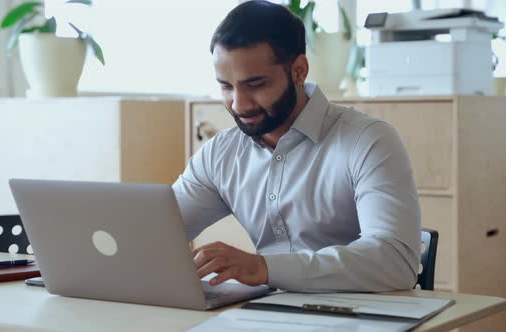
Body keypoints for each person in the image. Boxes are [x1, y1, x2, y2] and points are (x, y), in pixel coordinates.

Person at [172, 0, 421, 293]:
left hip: (363, 318)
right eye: (226, 86)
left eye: (256, 84)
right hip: (268, 315)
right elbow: (156, 230)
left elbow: (395, 263)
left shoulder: (367, 140)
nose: (238, 104)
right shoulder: (220, 154)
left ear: (299, 71)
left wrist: (264, 268)